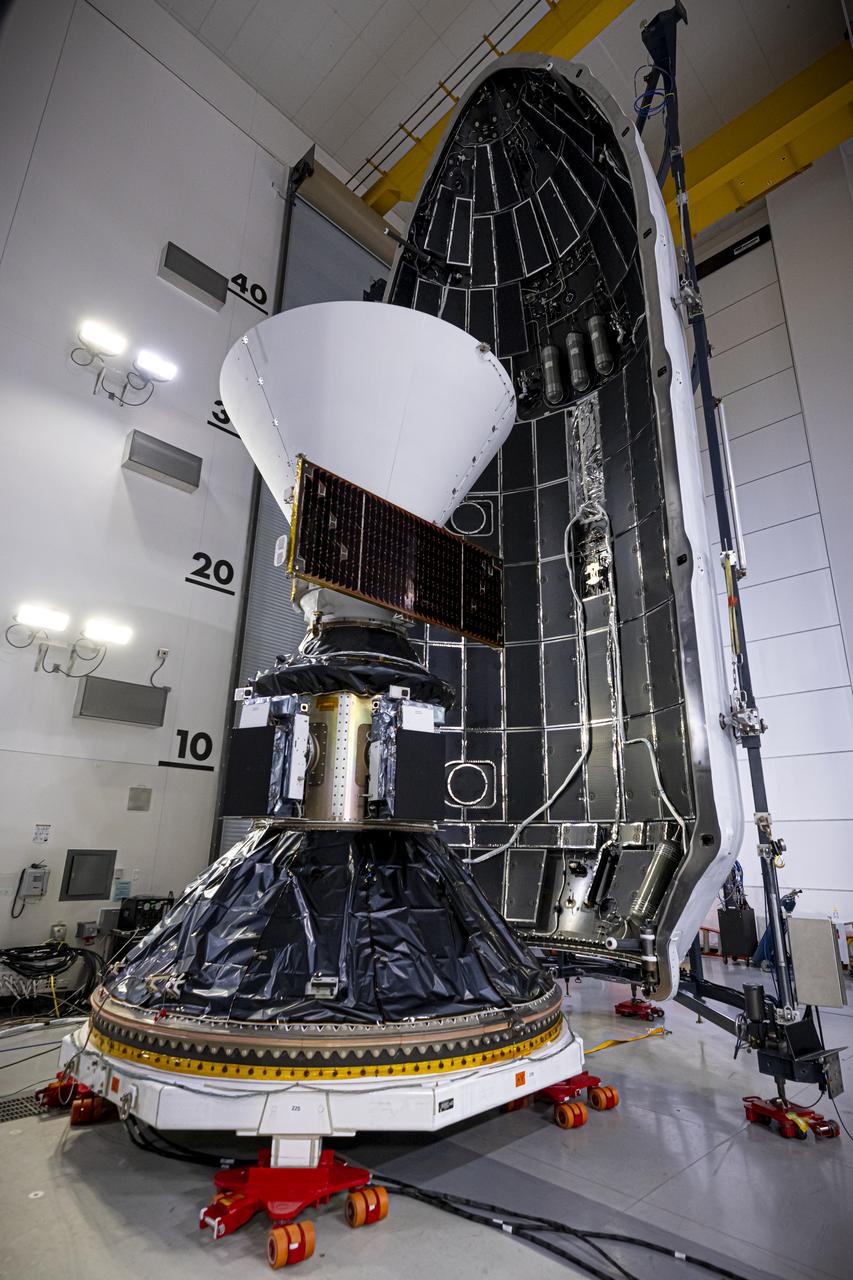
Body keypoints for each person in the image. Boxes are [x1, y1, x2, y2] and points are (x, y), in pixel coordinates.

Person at [751, 890, 801, 969]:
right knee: (769, 941)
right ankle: (759, 959)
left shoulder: (787, 901)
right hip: (776, 922)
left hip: (780, 921)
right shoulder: (784, 900)